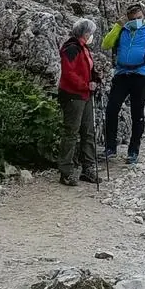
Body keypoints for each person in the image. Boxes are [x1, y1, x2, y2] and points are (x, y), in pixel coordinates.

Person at [101, 2, 145, 167]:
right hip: (122, 73)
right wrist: (118, 25)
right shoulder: (122, 29)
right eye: (133, 19)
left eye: (139, 17)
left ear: (144, 15)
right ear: (128, 19)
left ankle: (133, 151)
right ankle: (110, 147)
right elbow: (106, 44)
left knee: (137, 112)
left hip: (141, 74)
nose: (136, 21)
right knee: (111, 109)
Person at [56, 19, 101, 187]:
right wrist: (86, 85)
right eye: (90, 33)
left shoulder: (82, 48)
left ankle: (87, 168)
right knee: (71, 132)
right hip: (74, 95)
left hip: (84, 94)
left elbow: (86, 70)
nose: (92, 36)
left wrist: (95, 78)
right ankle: (66, 171)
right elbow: (69, 73)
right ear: (85, 33)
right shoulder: (72, 48)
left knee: (88, 131)